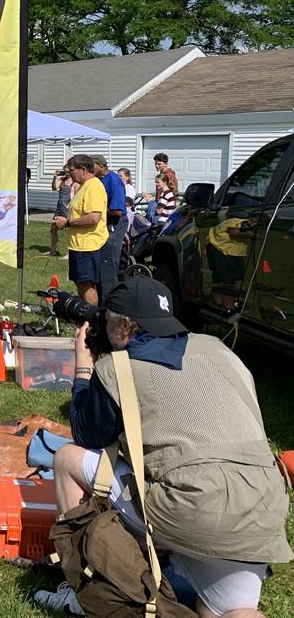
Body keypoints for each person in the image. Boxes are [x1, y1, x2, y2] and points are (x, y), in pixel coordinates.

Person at [36, 276, 291, 618]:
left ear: (123, 326)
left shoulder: (119, 369)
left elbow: (86, 433)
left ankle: (83, 591)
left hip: (189, 507)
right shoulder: (221, 351)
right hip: (260, 508)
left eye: (106, 320)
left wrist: (84, 366)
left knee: (67, 459)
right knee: (226, 610)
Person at [52, 155, 107, 306]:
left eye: (71, 170)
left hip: (88, 245)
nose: (69, 174)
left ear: (83, 169)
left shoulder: (94, 187)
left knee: (86, 285)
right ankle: (84, 315)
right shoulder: (83, 186)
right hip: (79, 245)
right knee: (80, 283)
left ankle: (90, 317)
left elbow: (94, 218)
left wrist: (67, 223)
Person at [92, 155, 127, 297]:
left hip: (114, 223)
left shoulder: (114, 180)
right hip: (104, 223)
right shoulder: (98, 180)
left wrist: (96, 208)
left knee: (109, 261)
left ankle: (109, 299)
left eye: (92, 166)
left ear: (101, 166)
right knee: (100, 261)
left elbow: (117, 211)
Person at [49, 165, 74, 257]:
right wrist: (54, 177)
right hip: (59, 206)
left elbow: (75, 195)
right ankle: (53, 250)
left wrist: (69, 205)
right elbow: (54, 188)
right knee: (53, 228)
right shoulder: (62, 180)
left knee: (68, 230)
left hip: (67, 207)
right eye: (65, 171)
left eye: (68, 171)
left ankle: (69, 253)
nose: (67, 173)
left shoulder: (74, 181)